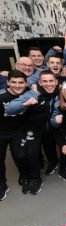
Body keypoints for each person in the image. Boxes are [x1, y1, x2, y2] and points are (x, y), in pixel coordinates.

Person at [5, 70, 59, 195]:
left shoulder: (58, 92)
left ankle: (54, 165)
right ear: (39, 82)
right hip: (32, 129)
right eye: (44, 81)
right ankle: (35, 178)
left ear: (56, 82)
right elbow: (10, 108)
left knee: (51, 147)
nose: (48, 84)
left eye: (51, 81)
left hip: (49, 127)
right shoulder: (32, 93)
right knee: (31, 153)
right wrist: (26, 103)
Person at [0, 70, 29, 200]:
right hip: (1, 132)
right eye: (14, 82)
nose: (17, 85)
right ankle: (2, 185)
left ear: (25, 83)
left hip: (18, 130)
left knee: (21, 155)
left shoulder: (28, 95)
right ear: (8, 83)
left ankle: (24, 176)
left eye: (21, 82)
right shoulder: (1, 96)